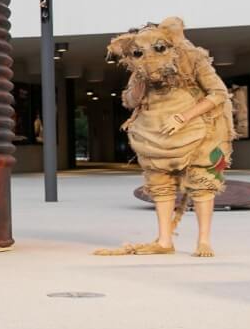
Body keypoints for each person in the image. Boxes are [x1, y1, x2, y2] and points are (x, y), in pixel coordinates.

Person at [95, 17, 235, 258]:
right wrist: (139, 81)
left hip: (198, 131)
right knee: (160, 185)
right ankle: (164, 240)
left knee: (202, 182)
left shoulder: (191, 57)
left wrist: (184, 117)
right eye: (139, 51)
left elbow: (218, 92)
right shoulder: (140, 67)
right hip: (155, 133)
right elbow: (129, 101)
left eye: (158, 47)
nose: (149, 54)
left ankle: (203, 240)